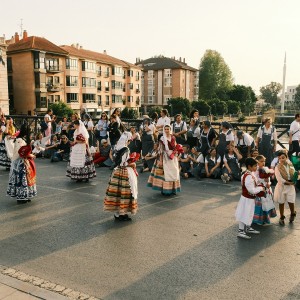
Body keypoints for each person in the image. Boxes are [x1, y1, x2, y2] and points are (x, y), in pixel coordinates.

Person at [104, 132, 138, 221]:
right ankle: (121, 213)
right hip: (124, 172)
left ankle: (119, 213)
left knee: (117, 193)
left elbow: (114, 159)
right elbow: (124, 163)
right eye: (129, 140)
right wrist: (132, 164)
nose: (130, 142)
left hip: (117, 171)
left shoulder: (117, 147)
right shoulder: (126, 149)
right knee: (124, 192)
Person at [7, 124, 37, 203]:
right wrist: (31, 155)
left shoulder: (21, 139)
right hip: (19, 162)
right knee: (21, 180)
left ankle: (25, 195)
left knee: (25, 180)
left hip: (23, 161)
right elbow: (21, 152)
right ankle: (21, 197)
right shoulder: (19, 140)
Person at [235, 157, 264, 239]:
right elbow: (251, 190)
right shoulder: (248, 176)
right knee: (244, 213)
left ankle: (247, 227)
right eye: (255, 166)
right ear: (249, 166)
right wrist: (261, 188)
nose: (257, 167)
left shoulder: (249, 174)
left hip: (249, 198)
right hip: (247, 198)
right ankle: (241, 231)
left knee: (249, 213)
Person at [148, 125, 181, 195]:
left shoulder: (173, 137)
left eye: (168, 129)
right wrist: (160, 160)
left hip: (172, 156)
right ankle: (165, 190)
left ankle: (173, 189)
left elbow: (175, 146)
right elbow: (161, 150)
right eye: (165, 129)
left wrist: (176, 154)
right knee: (165, 174)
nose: (166, 130)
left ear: (170, 129)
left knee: (174, 172)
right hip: (165, 157)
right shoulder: (162, 139)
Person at [274, 151, 297, 225]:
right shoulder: (277, 167)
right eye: (279, 158)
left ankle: (293, 213)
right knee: (281, 201)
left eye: (283, 158)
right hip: (282, 186)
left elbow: (293, 173)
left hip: (290, 186)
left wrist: (296, 178)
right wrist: (288, 182)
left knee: (291, 201)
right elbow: (279, 179)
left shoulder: (290, 164)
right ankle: (281, 217)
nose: (281, 159)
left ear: (286, 157)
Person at [252, 155, 277, 225]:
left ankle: (265, 219)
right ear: (257, 162)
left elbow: (268, 178)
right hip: (260, 189)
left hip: (266, 189)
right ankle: (258, 219)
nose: (263, 163)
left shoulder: (265, 169)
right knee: (260, 205)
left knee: (266, 204)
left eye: (264, 161)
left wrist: (268, 182)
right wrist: (263, 180)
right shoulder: (256, 170)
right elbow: (256, 180)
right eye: (261, 161)